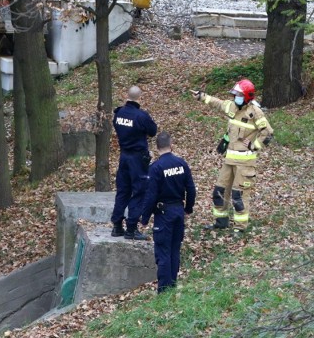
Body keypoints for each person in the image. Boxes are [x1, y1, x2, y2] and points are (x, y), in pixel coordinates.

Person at [191, 79, 273, 233]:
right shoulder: (232, 106)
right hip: (229, 159)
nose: (236, 97)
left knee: (238, 195)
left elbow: (268, 133)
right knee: (219, 191)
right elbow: (217, 102)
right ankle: (221, 222)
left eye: (239, 95)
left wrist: (254, 145)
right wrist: (201, 96)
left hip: (245, 163)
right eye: (235, 94)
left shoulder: (255, 112)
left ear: (247, 96)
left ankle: (240, 228)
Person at [141, 131, 196, 294]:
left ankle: (164, 291)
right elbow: (191, 189)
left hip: (164, 213)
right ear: (171, 145)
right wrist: (188, 208)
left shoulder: (156, 168)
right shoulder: (181, 164)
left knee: (163, 252)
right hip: (178, 210)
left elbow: (151, 195)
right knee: (174, 250)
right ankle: (172, 284)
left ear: (157, 148)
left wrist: (144, 217)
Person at [110, 85, 158, 240]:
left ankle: (117, 225)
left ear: (127, 95)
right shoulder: (141, 116)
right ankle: (131, 228)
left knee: (123, 190)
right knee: (139, 191)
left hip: (123, 157)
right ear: (140, 98)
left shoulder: (118, 113)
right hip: (138, 158)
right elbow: (153, 131)